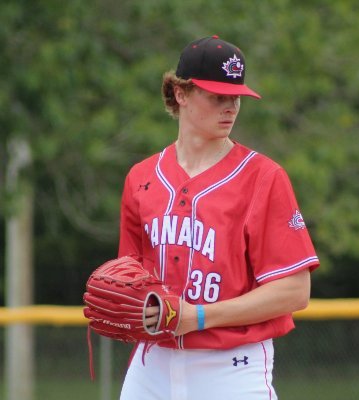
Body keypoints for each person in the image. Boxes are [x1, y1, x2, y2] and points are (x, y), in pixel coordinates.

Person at [118, 35, 319, 400]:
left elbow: (294, 291)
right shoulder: (141, 178)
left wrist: (196, 316)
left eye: (235, 96)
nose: (230, 107)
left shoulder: (264, 177)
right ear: (181, 93)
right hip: (152, 364)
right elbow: (130, 277)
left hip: (231, 367)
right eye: (217, 96)